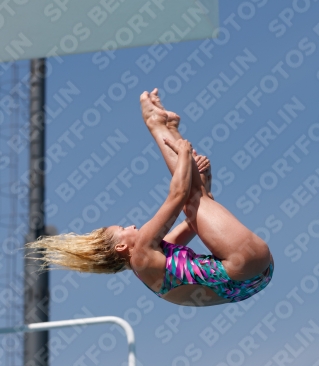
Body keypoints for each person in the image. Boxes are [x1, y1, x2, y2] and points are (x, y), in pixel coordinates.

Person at [27, 90, 273, 307]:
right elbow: (178, 196)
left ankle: (168, 126)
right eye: (124, 228)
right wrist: (184, 154)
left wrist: (203, 180)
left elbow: (193, 220)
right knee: (192, 199)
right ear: (122, 247)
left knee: (196, 201)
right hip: (243, 267)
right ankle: (155, 124)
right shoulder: (142, 250)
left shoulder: (150, 263)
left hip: (251, 279)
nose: (133, 226)